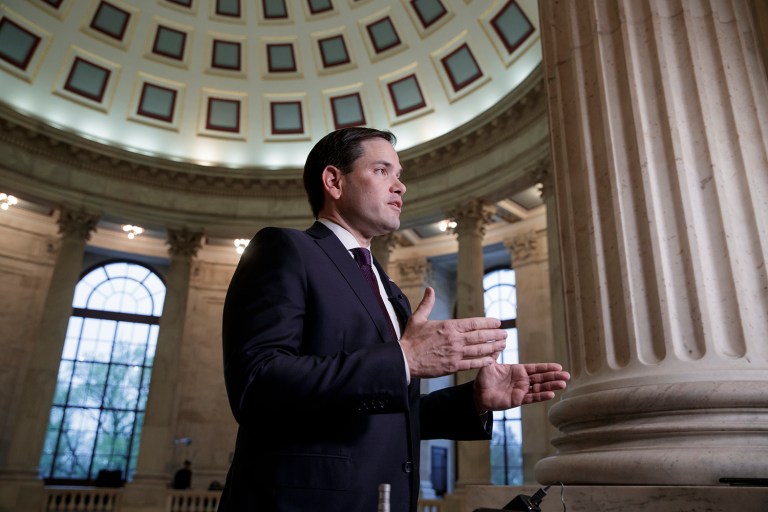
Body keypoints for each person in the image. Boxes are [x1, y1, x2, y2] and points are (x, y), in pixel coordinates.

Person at [219, 127, 570, 511]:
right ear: (334, 181)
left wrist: (473, 400)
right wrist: (405, 359)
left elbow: (388, 413)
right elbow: (257, 384)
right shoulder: (284, 249)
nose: (400, 186)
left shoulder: (389, 289)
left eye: (399, 175)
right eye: (383, 171)